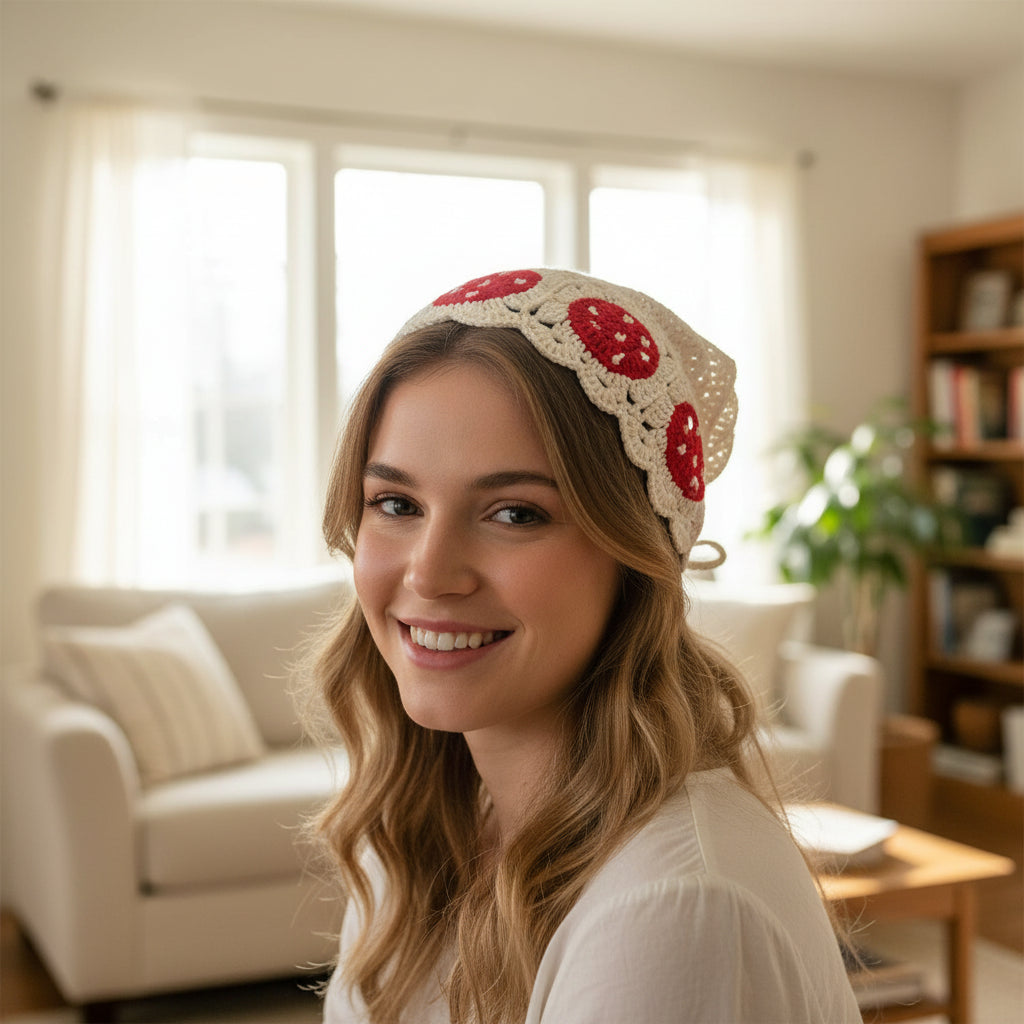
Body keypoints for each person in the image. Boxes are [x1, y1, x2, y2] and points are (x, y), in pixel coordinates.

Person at [311, 268, 860, 1024]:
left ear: (634, 556)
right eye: (396, 503)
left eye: (515, 514)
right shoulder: (417, 827)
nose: (430, 573)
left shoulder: (673, 907)